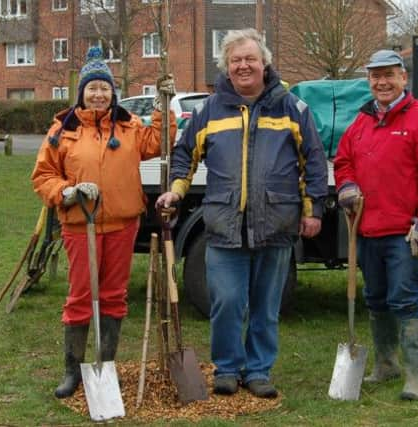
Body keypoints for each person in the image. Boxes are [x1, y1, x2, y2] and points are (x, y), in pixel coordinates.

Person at [156, 28, 327, 398]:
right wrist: (176, 189)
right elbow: (184, 154)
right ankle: (228, 368)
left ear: (265, 63)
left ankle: (259, 370)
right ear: (227, 67)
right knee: (227, 303)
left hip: (276, 225)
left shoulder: (292, 108)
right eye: (236, 60)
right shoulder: (209, 111)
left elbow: (313, 161)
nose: (243, 66)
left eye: (250, 59)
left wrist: (312, 209)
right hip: (223, 225)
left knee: (267, 306)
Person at [31, 46, 176, 399]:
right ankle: (73, 371)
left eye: (105, 89)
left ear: (114, 93)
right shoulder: (62, 130)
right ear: (82, 92)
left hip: (122, 226)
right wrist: (67, 191)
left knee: (113, 296)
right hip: (81, 227)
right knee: (81, 295)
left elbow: (161, 142)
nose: (98, 95)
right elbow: (43, 175)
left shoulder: (128, 126)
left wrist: (163, 106)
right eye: (92, 88)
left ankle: (105, 366)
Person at [333, 49, 418, 401]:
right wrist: (347, 185)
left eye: (389, 75)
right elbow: (344, 162)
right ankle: (386, 365)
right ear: (368, 81)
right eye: (375, 76)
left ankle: (413, 378)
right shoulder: (361, 123)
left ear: (403, 78)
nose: (382, 82)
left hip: (404, 232)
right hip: (366, 230)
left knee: (405, 299)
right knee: (376, 298)